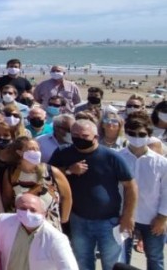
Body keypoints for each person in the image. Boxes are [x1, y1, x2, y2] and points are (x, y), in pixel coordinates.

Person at [49, 119, 138, 270]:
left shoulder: (111, 157)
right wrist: (69, 170)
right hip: (78, 219)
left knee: (112, 264)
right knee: (82, 261)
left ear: (95, 137)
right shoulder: (63, 153)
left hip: (109, 222)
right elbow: (48, 175)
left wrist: (128, 216)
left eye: (84, 136)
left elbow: (131, 187)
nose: (79, 139)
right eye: (75, 135)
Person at [118, 113, 167, 270]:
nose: (136, 137)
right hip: (123, 216)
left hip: (152, 218)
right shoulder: (118, 158)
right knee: (122, 257)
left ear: (149, 135)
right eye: (132, 134)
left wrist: (162, 218)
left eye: (141, 134)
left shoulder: (161, 163)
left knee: (154, 257)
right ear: (126, 133)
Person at [0, 194, 77, 270]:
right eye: (23, 208)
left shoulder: (56, 238)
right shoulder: (3, 221)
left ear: (44, 214)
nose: (27, 213)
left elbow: (68, 267)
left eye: (33, 210)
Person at [1, 136, 71, 231]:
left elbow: (67, 196)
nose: (36, 152)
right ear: (19, 152)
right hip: (22, 226)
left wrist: (64, 219)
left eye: (37, 149)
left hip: (49, 225)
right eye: (31, 149)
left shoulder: (51, 171)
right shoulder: (11, 173)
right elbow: (7, 198)